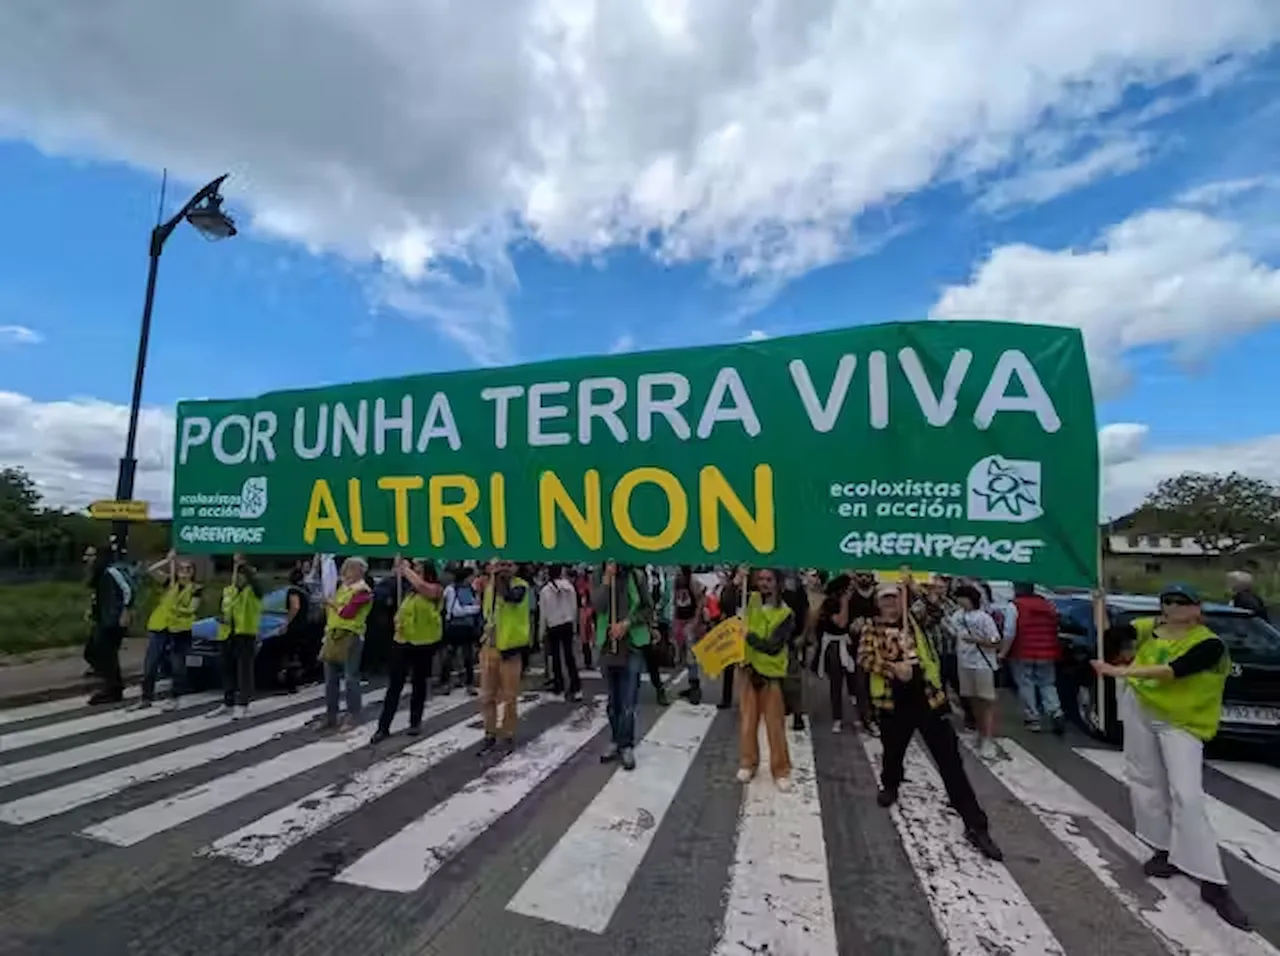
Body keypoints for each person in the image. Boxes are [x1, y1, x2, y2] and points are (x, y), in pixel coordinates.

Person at [1092, 583, 1250, 929]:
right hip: (1141, 710)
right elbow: (1115, 634)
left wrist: (1121, 671)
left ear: (1197, 607)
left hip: (1182, 722)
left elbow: (1173, 670)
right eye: (1167, 601)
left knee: (1187, 795)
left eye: (1182, 602)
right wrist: (1100, 606)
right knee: (1145, 781)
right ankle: (1164, 851)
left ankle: (1213, 882)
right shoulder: (1150, 628)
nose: (1173, 607)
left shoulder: (1209, 643)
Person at [858, 579, 1003, 860]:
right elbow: (864, 658)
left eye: (894, 598)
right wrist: (891, 668)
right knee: (893, 751)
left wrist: (918, 589)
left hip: (927, 699)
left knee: (950, 760)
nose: (890, 603)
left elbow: (935, 612)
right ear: (878, 603)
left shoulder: (914, 620)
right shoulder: (870, 627)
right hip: (892, 701)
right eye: (885, 599)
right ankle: (890, 784)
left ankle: (975, 824)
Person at [373, 558, 444, 743]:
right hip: (402, 642)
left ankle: (415, 722)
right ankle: (383, 726)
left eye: (418, 570)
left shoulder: (435, 589)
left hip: (424, 644)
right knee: (394, 685)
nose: (414, 573)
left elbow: (423, 587)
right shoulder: (407, 591)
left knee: (418, 684)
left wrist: (406, 569)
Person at [735, 568, 794, 791]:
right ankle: (748, 763)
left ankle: (781, 770)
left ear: (778, 583)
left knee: (775, 726)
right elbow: (728, 602)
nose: (764, 583)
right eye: (760, 579)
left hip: (771, 676)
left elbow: (773, 646)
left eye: (769, 580)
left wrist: (747, 636)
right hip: (749, 671)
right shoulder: (750, 600)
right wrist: (736, 581)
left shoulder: (786, 614)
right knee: (748, 723)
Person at [593, 560, 652, 770]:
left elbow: (647, 608)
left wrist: (627, 624)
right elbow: (597, 605)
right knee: (613, 701)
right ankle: (615, 740)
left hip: (632, 645)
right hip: (608, 646)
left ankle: (626, 744)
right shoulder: (599, 572)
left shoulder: (637, 576)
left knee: (628, 701)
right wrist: (607, 581)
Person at [478, 559, 531, 755]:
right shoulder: (490, 587)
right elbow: (485, 613)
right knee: (487, 695)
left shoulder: (521, 586)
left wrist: (496, 577)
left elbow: (510, 597)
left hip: (510, 649)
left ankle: (507, 732)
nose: (504, 569)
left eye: (508, 565)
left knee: (509, 696)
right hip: (489, 647)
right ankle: (489, 732)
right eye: (501, 564)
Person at [136, 550, 201, 710]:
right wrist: (167, 561)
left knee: (177, 664)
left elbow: (192, 608)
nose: (184, 572)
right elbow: (151, 571)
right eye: (181, 569)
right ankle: (146, 698)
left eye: (188, 569)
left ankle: (174, 697)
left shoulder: (195, 589)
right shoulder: (170, 583)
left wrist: (177, 609)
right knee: (150, 663)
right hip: (160, 626)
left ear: (193, 573)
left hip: (179, 630)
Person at [948, 584, 1004, 758]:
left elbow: (996, 641)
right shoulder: (957, 616)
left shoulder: (984, 618)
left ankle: (988, 737)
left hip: (982, 664)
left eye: (960, 597)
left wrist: (977, 640)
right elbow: (951, 631)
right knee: (973, 700)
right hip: (964, 664)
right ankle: (980, 732)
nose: (958, 600)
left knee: (986, 701)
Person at [318, 556, 372, 730]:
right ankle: (330, 715)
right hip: (333, 635)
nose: (346, 573)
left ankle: (352, 715)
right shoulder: (342, 588)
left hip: (351, 636)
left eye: (350, 569)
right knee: (330, 678)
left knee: (350, 677)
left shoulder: (362, 591)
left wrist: (332, 604)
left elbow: (348, 613)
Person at [1005, 581, 1065, 734]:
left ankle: (1033, 718)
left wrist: (1003, 652)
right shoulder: (1048, 605)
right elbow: (1056, 626)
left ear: (1017, 589)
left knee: (1026, 683)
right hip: (1047, 651)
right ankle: (1055, 711)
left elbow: (1009, 632)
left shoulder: (1015, 606)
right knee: (1047, 683)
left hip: (1023, 651)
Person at [85, 540, 136, 705]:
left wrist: (126, 611)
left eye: (90, 555)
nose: (86, 558)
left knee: (106, 653)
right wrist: (92, 610)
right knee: (93, 651)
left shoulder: (113, 570)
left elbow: (129, 589)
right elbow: (99, 595)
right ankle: (110, 682)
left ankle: (113, 688)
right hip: (104, 618)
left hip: (114, 619)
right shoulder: (100, 573)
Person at [213, 553, 263, 720]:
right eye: (238, 574)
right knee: (227, 669)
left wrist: (242, 565)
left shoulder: (253, 592)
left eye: (243, 575)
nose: (240, 578)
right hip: (227, 633)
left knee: (244, 670)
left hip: (245, 633)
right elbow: (223, 609)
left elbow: (255, 583)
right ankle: (228, 702)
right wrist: (221, 618)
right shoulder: (229, 590)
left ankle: (243, 703)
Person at [817, 574, 859, 733]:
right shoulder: (830, 603)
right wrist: (845, 603)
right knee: (836, 683)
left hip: (848, 643)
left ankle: (861, 715)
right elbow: (841, 622)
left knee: (856, 682)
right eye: (849, 587)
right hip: (834, 645)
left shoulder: (853, 600)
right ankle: (837, 718)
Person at [539, 564, 582, 700]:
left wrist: (541, 632)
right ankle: (575, 684)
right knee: (569, 656)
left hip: (553, 625)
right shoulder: (569, 587)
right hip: (567, 623)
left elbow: (543, 613)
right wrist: (574, 625)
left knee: (555, 656)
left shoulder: (545, 590)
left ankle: (559, 683)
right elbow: (574, 607)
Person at [672, 565, 706, 705]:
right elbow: (676, 601)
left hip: (690, 620)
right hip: (681, 619)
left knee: (691, 656)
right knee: (684, 655)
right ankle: (691, 685)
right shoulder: (677, 580)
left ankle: (695, 688)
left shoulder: (692, 580)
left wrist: (695, 621)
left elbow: (700, 601)